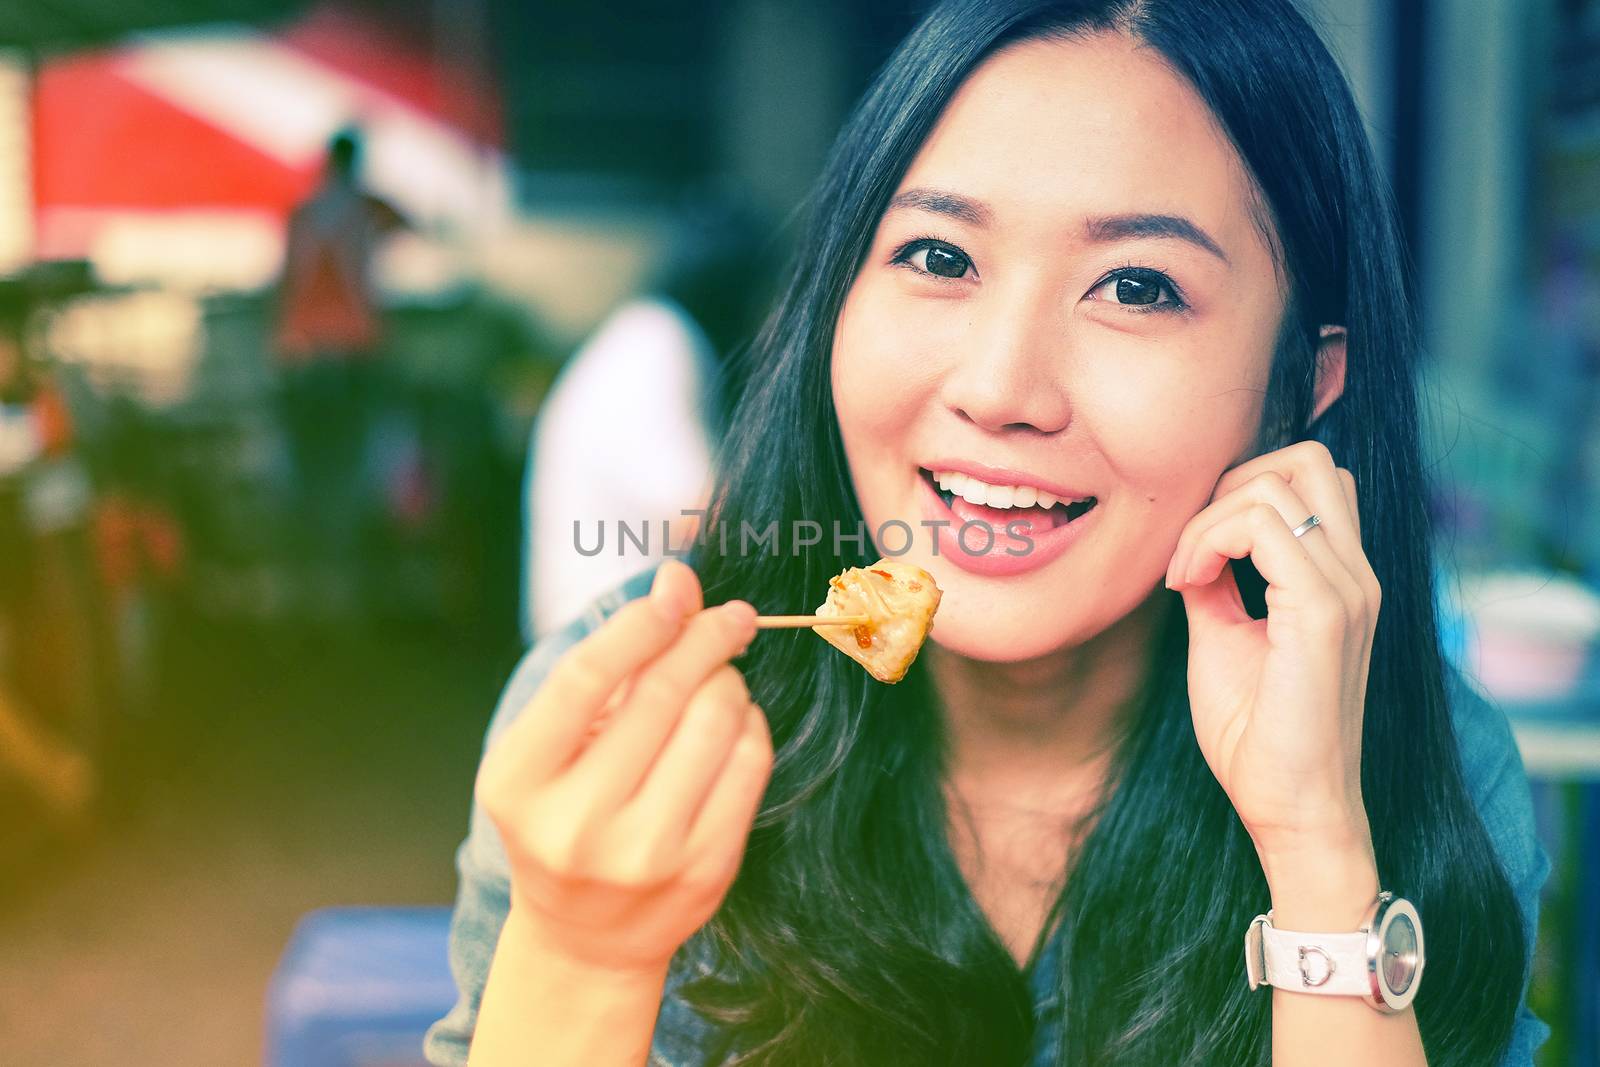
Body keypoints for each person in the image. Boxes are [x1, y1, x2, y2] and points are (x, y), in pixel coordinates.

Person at [426, 2, 1551, 1064]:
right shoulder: (628, 727)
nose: (1002, 386)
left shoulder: (1423, 771)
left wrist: (1316, 846)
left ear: (1301, 381)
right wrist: (581, 949)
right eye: (939, 257)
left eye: (1137, 286)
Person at [521, 192, 773, 643]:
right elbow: (701, 512)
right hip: (596, 637)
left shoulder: (646, 334)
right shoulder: (658, 344)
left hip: (606, 622)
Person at [273, 126, 406, 614]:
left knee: (311, 474)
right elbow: (407, 224)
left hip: (304, 356)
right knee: (354, 472)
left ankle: (312, 591)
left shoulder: (303, 214)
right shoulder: (364, 210)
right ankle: (344, 588)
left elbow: (284, 284)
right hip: (353, 356)